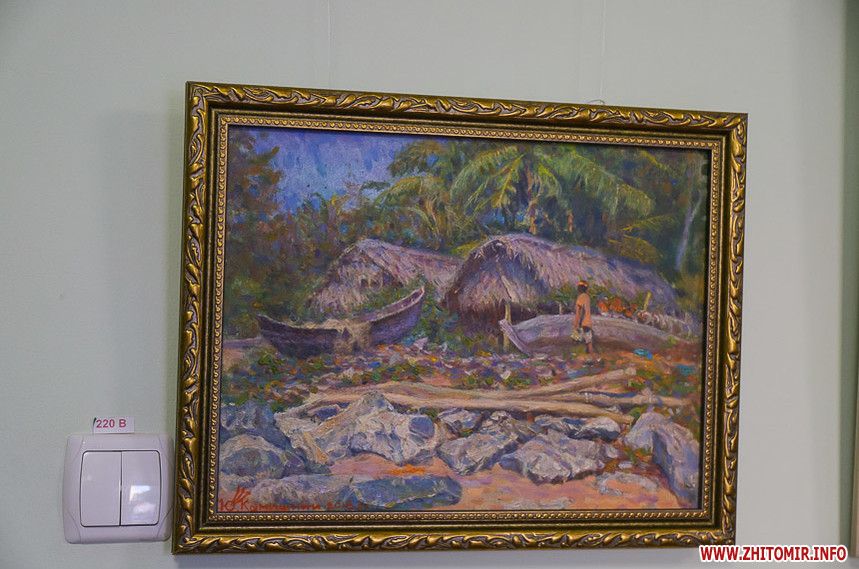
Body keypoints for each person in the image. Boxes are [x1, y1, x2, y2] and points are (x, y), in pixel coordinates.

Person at [574, 279, 594, 354]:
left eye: (578, 287)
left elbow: (581, 311)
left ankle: (591, 356)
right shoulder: (587, 297)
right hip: (587, 322)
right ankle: (589, 355)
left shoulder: (581, 297)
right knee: (588, 340)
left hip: (583, 322)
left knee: (584, 341)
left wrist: (578, 323)